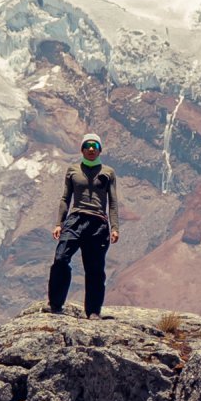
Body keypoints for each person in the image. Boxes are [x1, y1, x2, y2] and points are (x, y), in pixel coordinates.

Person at [47, 131, 120, 317]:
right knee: (61, 259)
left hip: (98, 223)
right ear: (81, 149)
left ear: (100, 150)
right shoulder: (72, 170)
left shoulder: (108, 173)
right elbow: (65, 198)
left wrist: (115, 227)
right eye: (87, 145)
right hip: (75, 220)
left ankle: (93, 312)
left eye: (94, 146)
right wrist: (59, 223)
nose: (90, 149)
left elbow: (113, 202)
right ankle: (55, 305)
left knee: (95, 268)